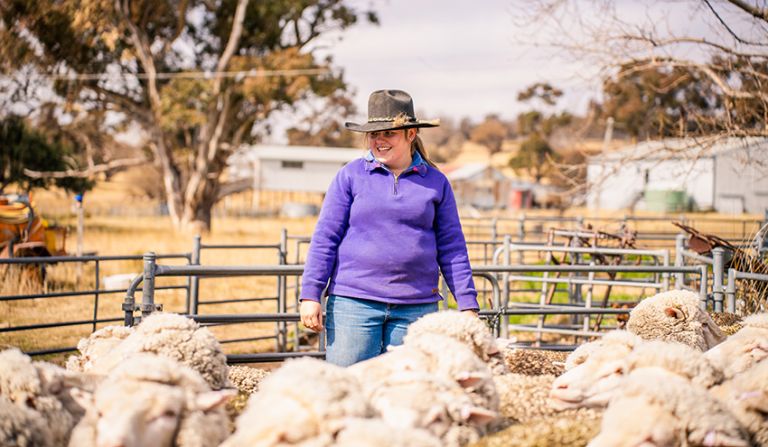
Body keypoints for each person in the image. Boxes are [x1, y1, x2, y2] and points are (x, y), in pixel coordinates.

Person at [299, 89, 479, 367]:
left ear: (410, 134)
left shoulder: (436, 182)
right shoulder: (350, 176)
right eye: (374, 134)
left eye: (388, 134)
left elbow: (452, 247)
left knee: (410, 391)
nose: (379, 141)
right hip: (354, 302)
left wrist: (467, 304)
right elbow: (325, 238)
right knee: (350, 389)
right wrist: (311, 294)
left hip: (416, 306)